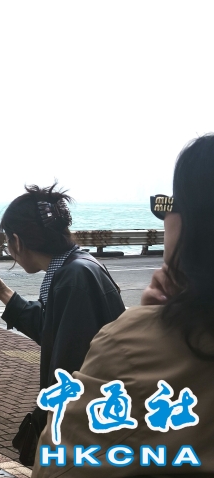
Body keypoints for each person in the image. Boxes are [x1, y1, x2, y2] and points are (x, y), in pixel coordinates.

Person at [32, 136, 214, 475]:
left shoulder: (134, 346)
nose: (165, 217)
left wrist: (147, 326)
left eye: (170, 204)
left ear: (198, 224)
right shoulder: (82, 267)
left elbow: (58, 468)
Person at [0, 184, 125, 466]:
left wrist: (50, 423)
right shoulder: (78, 266)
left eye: (7, 241)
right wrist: (4, 294)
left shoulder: (72, 278)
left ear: (17, 241)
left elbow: (69, 363)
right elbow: (54, 331)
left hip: (87, 429)